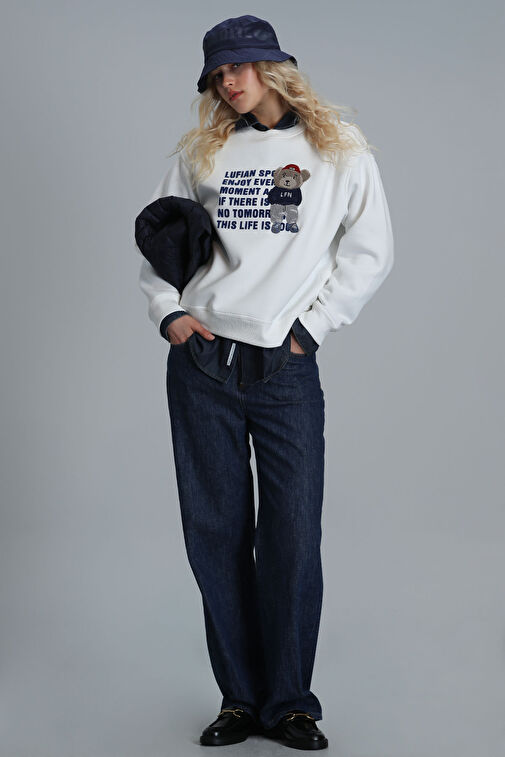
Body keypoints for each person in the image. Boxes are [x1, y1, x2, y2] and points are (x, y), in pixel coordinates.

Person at [136, 14, 394, 751]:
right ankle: (239, 701)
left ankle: (289, 703)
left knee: (292, 536)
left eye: (240, 67)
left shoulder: (337, 149)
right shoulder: (203, 152)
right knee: (215, 533)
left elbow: (371, 250)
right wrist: (168, 312)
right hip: (202, 364)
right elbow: (159, 236)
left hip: (283, 366)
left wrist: (312, 328)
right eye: (218, 73)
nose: (230, 82)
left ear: (275, 66)